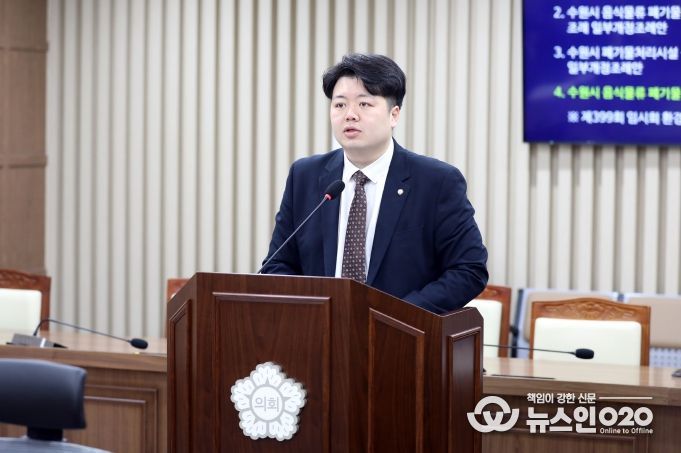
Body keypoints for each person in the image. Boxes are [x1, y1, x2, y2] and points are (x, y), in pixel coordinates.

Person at [261, 53, 488, 314]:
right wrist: (312, 312)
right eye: (340, 105)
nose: (350, 115)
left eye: (364, 104)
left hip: (401, 331)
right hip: (319, 331)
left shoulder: (437, 182)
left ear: (394, 115)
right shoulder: (305, 176)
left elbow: (469, 269)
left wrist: (399, 315)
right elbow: (277, 265)